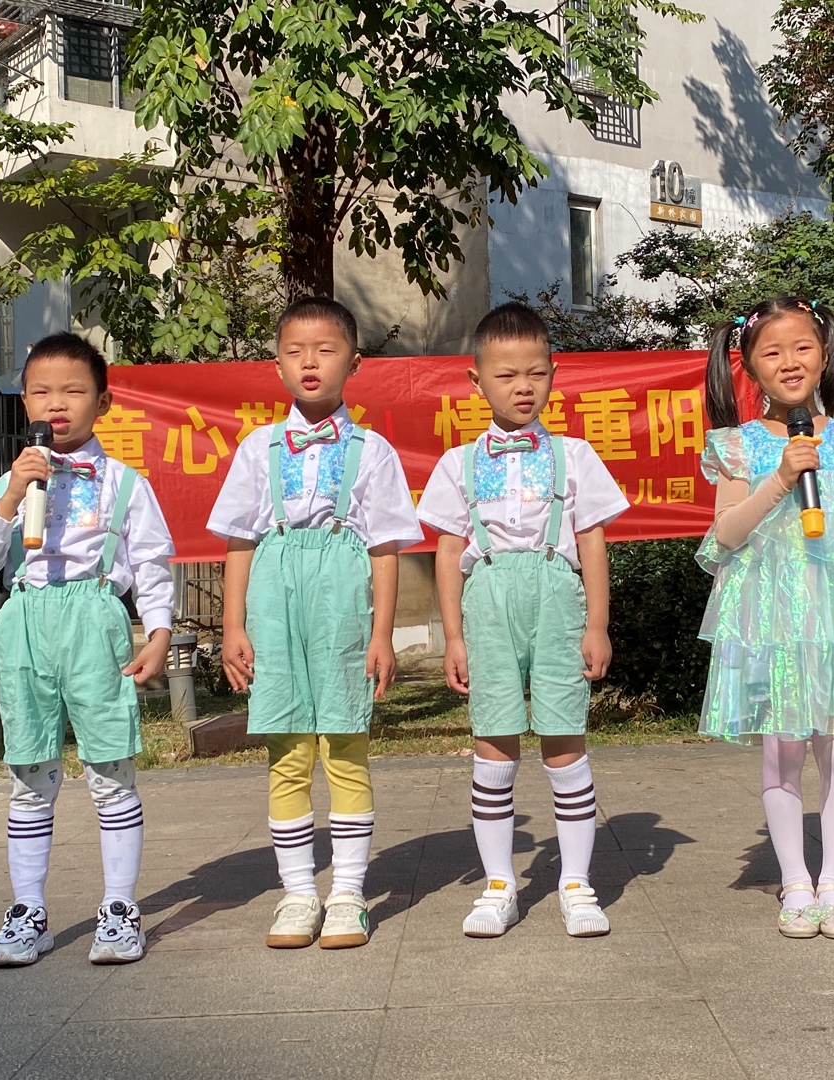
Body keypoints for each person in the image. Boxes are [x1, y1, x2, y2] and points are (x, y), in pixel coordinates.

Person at [207, 296, 422, 950]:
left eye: (325, 350)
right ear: (277, 365)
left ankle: (349, 893)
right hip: (273, 601)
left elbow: (384, 548)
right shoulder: (257, 448)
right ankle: (299, 893)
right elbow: (239, 542)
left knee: (345, 745)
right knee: (288, 750)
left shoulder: (373, 451)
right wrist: (233, 626)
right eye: (295, 351)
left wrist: (382, 634)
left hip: (340, 603)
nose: (310, 362)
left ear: (353, 364)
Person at [695, 297, 834, 940]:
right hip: (771, 624)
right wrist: (781, 479)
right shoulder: (738, 447)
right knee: (781, 754)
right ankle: (795, 882)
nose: (789, 362)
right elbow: (725, 535)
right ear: (749, 366)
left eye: (802, 347)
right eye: (772, 352)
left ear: (824, 354)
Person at [0, 331, 176, 967]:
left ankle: (120, 908)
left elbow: (152, 565)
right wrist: (11, 495)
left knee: (110, 768)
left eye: (73, 391)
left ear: (102, 402)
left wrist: (158, 633)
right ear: (25, 403)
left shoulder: (125, 484)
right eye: (41, 393)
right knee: (30, 773)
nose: (56, 404)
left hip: (95, 621)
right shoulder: (9, 482)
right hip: (27, 623)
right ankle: (28, 911)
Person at [418, 301, 629, 939]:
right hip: (488, 602)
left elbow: (592, 541)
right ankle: (499, 885)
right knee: (494, 739)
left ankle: (576, 883)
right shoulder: (459, 462)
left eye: (535, 373)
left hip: (557, 598)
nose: (522, 387)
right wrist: (453, 637)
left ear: (553, 376)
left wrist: (598, 624)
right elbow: (447, 553)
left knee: (564, 738)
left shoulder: (575, 455)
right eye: (506, 375)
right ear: (476, 381)